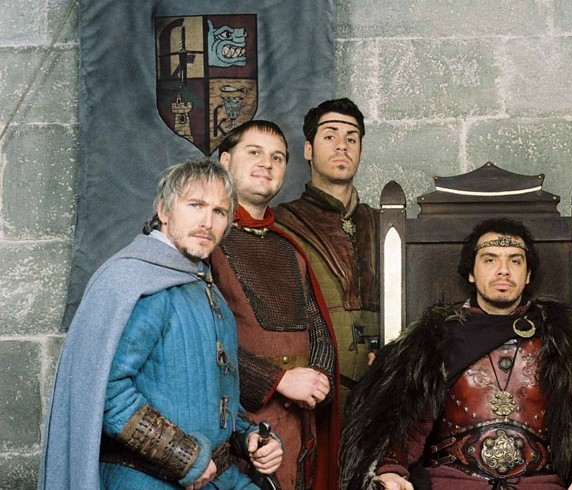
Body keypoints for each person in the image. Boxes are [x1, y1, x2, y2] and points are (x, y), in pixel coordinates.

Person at [39, 159, 283, 489]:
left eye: (219, 211)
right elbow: (107, 392)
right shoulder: (133, 281)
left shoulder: (203, 285)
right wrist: (185, 457)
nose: (207, 222)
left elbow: (216, 392)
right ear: (164, 211)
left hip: (216, 475)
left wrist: (249, 437)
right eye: (195, 205)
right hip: (142, 478)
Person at [340, 218, 572, 490]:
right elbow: (403, 420)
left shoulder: (567, 339)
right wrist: (391, 470)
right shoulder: (434, 340)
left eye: (515, 260)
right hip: (452, 484)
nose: (503, 270)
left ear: (528, 275)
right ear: (471, 272)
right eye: (490, 259)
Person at [210, 120, 340, 489]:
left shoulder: (288, 246)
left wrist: (318, 378)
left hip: (298, 420)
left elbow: (317, 328)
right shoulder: (205, 240)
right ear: (224, 161)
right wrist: (278, 380)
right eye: (254, 152)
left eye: (278, 157)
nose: (267, 163)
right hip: (235, 420)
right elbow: (201, 338)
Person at [274, 98, 380, 418]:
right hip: (311, 392)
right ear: (308, 149)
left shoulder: (382, 223)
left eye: (351, 138)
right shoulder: (282, 222)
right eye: (330, 135)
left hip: (380, 391)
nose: (342, 145)